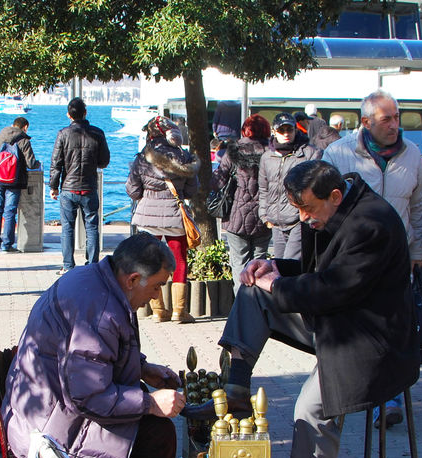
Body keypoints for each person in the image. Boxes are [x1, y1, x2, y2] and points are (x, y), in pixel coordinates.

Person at [218, 160, 419, 458]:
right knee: (254, 291)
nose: (305, 219)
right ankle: (235, 387)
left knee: (309, 411)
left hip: (368, 342)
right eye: (300, 212)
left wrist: (278, 283)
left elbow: (332, 288)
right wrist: (274, 269)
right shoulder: (330, 215)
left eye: (309, 210)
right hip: (336, 322)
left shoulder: (371, 224)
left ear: (335, 196)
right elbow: (314, 274)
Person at [1, 232, 185, 458]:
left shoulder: (95, 278)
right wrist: (151, 404)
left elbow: (96, 356)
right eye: (156, 286)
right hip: (50, 431)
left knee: (152, 426)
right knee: (158, 435)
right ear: (133, 279)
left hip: (44, 407)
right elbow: (88, 397)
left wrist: (143, 369)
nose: (156, 297)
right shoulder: (100, 312)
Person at [322, 89, 422, 425]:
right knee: (354, 325)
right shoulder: (338, 153)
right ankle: (346, 387)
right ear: (365, 122)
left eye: (397, 117)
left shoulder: (412, 155)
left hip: (396, 259)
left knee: (391, 328)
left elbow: (419, 206)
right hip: (353, 256)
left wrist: (417, 251)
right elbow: (323, 205)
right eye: (387, 119)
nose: (395, 125)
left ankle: (390, 399)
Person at [126, 116, 200, 323]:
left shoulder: (142, 158)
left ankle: (158, 310)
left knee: (147, 261)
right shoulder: (184, 157)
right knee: (179, 259)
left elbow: (132, 189)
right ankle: (179, 311)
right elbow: (192, 189)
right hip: (174, 215)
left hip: (147, 216)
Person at [50, 97, 110, 274]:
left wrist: (53, 186)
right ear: (85, 113)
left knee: (67, 227)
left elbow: (56, 163)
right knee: (92, 227)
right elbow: (104, 161)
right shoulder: (98, 133)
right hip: (89, 187)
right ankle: (92, 265)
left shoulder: (63, 134)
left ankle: (68, 265)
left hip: (68, 188)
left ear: (69, 115)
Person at [213, 114, 272, 292]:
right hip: (264, 215)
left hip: (236, 214)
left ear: (245, 130)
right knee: (260, 262)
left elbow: (218, 182)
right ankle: (258, 300)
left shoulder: (234, 150)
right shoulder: (271, 152)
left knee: (239, 262)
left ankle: (241, 302)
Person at [259, 112, 322, 262]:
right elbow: (263, 188)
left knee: (291, 263)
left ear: (296, 130)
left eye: (290, 130)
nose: (286, 134)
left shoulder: (310, 154)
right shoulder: (267, 157)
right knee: (278, 265)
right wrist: (264, 215)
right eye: (282, 130)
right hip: (276, 222)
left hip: (299, 221)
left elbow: (317, 187)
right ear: (274, 132)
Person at [0, 116, 40, 252]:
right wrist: (38, 163)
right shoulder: (24, 141)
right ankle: (7, 245)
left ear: (12, 125)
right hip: (14, 182)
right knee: (9, 212)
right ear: (25, 127)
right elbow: (31, 164)